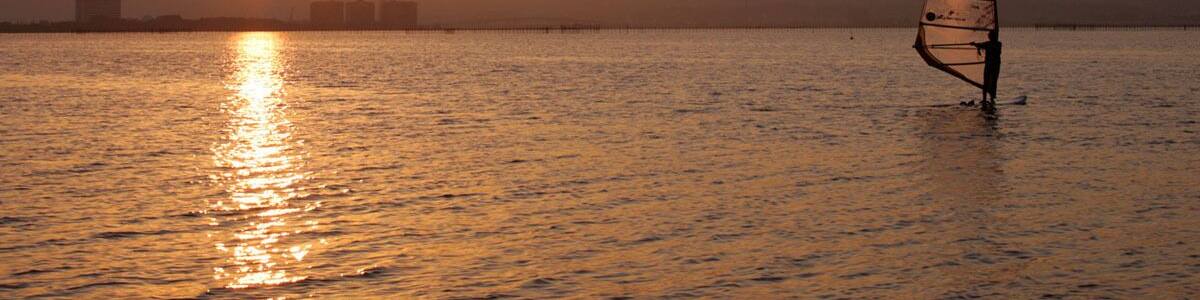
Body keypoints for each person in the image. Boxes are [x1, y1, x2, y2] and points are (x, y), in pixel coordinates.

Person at [972, 30, 1002, 113]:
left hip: (995, 66)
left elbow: (994, 48)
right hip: (988, 65)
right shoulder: (987, 44)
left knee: (993, 82)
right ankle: (984, 99)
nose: (989, 37)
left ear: (993, 37)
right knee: (985, 82)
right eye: (989, 36)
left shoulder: (998, 44)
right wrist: (975, 44)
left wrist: (980, 45)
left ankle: (992, 99)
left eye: (990, 36)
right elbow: (981, 45)